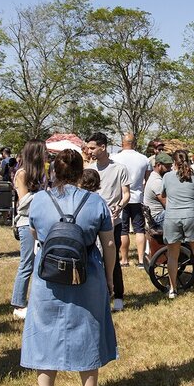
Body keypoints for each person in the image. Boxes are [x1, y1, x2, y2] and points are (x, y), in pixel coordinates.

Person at [20, 149, 118, 386]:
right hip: (87, 274)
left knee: (43, 335)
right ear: (79, 172)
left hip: (47, 277)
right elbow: (108, 243)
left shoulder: (38, 201)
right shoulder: (95, 201)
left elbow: (35, 234)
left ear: (54, 172)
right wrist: (110, 277)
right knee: (90, 331)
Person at [85, 133, 130, 312]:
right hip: (92, 220)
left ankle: (118, 297)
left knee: (112, 259)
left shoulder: (119, 169)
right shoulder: (89, 169)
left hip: (113, 221)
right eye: (88, 148)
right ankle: (97, 295)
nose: (89, 151)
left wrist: (119, 206)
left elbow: (126, 193)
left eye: (93, 148)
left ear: (103, 147)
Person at [162, 150, 194, 299]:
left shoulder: (167, 177)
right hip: (192, 216)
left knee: (172, 255)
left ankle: (173, 289)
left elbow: (164, 194)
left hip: (172, 217)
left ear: (173, 162)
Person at [10, 140, 47, 320]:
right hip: (25, 223)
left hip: (39, 222)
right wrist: (44, 196)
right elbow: (23, 202)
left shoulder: (40, 175)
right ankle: (18, 303)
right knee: (26, 263)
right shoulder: (22, 174)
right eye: (44, 152)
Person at [112, 132, 152, 268]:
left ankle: (124, 259)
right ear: (134, 143)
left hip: (121, 198)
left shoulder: (115, 158)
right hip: (138, 197)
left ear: (122, 143)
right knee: (139, 229)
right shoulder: (144, 159)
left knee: (123, 229)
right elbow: (148, 180)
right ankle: (141, 260)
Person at [143, 152, 174, 229]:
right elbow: (168, 205)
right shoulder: (157, 182)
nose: (169, 170)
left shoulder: (155, 177)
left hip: (158, 215)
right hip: (158, 217)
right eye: (167, 167)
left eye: (170, 167)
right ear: (158, 165)